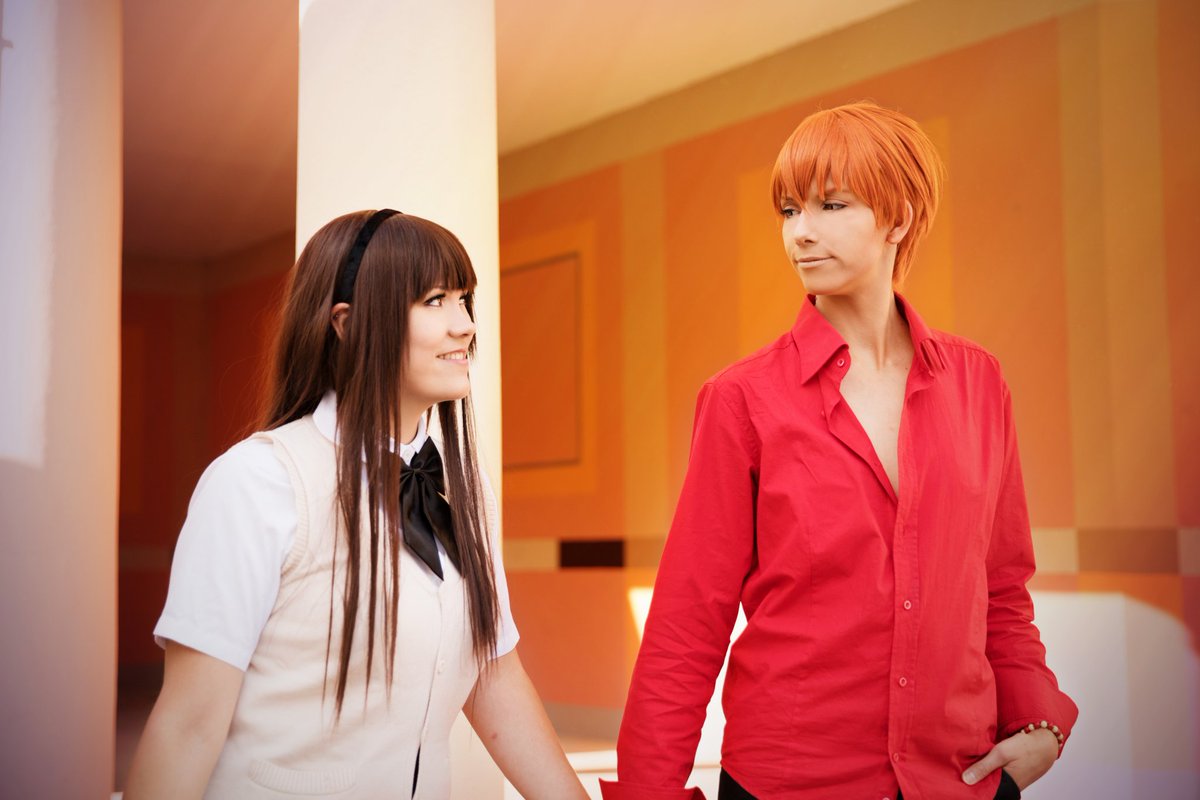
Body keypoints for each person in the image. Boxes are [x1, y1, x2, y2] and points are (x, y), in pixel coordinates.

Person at [601, 103, 1078, 800]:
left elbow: (1001, 587)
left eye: (831, 205)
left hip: (956, 780)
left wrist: (1039, 721)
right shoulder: (741, 400)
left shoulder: (979, 383)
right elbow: (687, 624)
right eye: (789, 210)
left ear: (899, 218)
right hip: (791, 783)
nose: (801, 232)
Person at [125, 210, 587, 799]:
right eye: (435, 301)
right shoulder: (257, 481)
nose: (466, 325)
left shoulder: (465, 488)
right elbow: (187, 728)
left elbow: (493, 675)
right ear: (346, 322)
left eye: (464, 299)